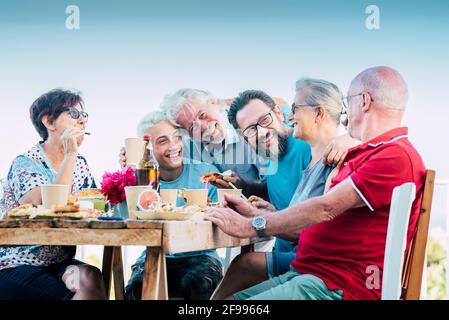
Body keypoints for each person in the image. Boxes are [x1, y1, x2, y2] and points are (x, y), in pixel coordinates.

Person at [205, 66, 426, 300]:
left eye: (346, 100)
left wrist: (251, 224)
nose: (342, 110)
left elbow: (325, 208)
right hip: (313, 273)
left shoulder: (394, 155)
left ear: (364, 101)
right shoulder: (367, 154)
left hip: (337, 284)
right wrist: (252, 213)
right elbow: (323, 214)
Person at [212, 79, 355, 299]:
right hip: (290, 252)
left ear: (279, 112)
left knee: (243, 266)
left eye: (264, 120)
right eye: (250, 130)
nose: (260, 133)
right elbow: (286, 192)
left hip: (310, 259)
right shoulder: (272, 153)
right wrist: (242, 186)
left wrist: (349, 139)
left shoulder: (309, 145)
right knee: (239, 270)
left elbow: (319, 210)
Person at [0, 89, 107, 300]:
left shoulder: (80, 163)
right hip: (15, 263)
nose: (82, 122)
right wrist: (71, 154)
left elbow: (96, 206)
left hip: (58, 264)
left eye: (84, 116)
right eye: (74, 114)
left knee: (92, 278)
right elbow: (46, 207)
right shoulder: (25, 163)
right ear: (49, 121)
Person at [125, 111, 223, 300]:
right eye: (162, 141)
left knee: (198, 284)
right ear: (147, 148)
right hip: (155, 254)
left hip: (201, 256)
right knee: (138, 286)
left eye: (176, 138)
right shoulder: (141, 181)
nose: (174, 146)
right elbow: (128, 219)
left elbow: (219, 221)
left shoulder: (206, 175)